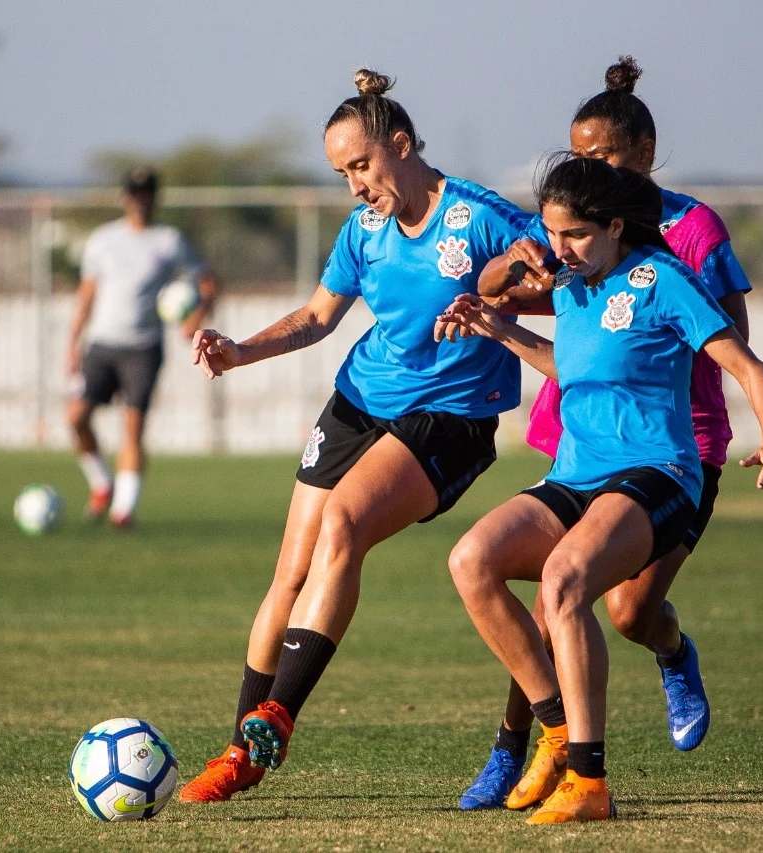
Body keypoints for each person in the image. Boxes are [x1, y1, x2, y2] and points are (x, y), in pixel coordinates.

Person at [177, 69, 532, 804]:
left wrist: (500, 299)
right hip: (358, 401)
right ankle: (241, 749)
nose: (355, 187)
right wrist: (238, 350)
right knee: (290, 572)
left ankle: (276, 715)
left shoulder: (482, 217)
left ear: (400, 146)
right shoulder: (363, 229)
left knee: (344, 524)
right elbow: (316, 317)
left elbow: (562, 277)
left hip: (449, 419)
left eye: (362, 167)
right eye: (341, 173)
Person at [438, 156, 763, 823]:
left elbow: (745, 362)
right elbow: (570, 366)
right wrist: (497, 327)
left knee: (565, 582)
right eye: (554, 234)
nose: (560, 249)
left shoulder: (663, 280)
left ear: (615, 225)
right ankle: (555, 725)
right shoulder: (571, 284)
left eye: (576, 235)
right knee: (471, 561)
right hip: (576, 475)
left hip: (658, 473)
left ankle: (589, 782)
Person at [66, 166, 217, 528]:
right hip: (102, 344)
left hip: (143, 348)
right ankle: (102, 484)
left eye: (146, 193)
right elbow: (87, 294)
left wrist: (194, 318)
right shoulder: (103, 240)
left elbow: (208, 283)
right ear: (124, 198)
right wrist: (73, 342)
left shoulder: (168, 240)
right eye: (134, 193)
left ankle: (123, 512)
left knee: (132, 429)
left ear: (154, 197)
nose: (139, 200)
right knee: (76, 418)